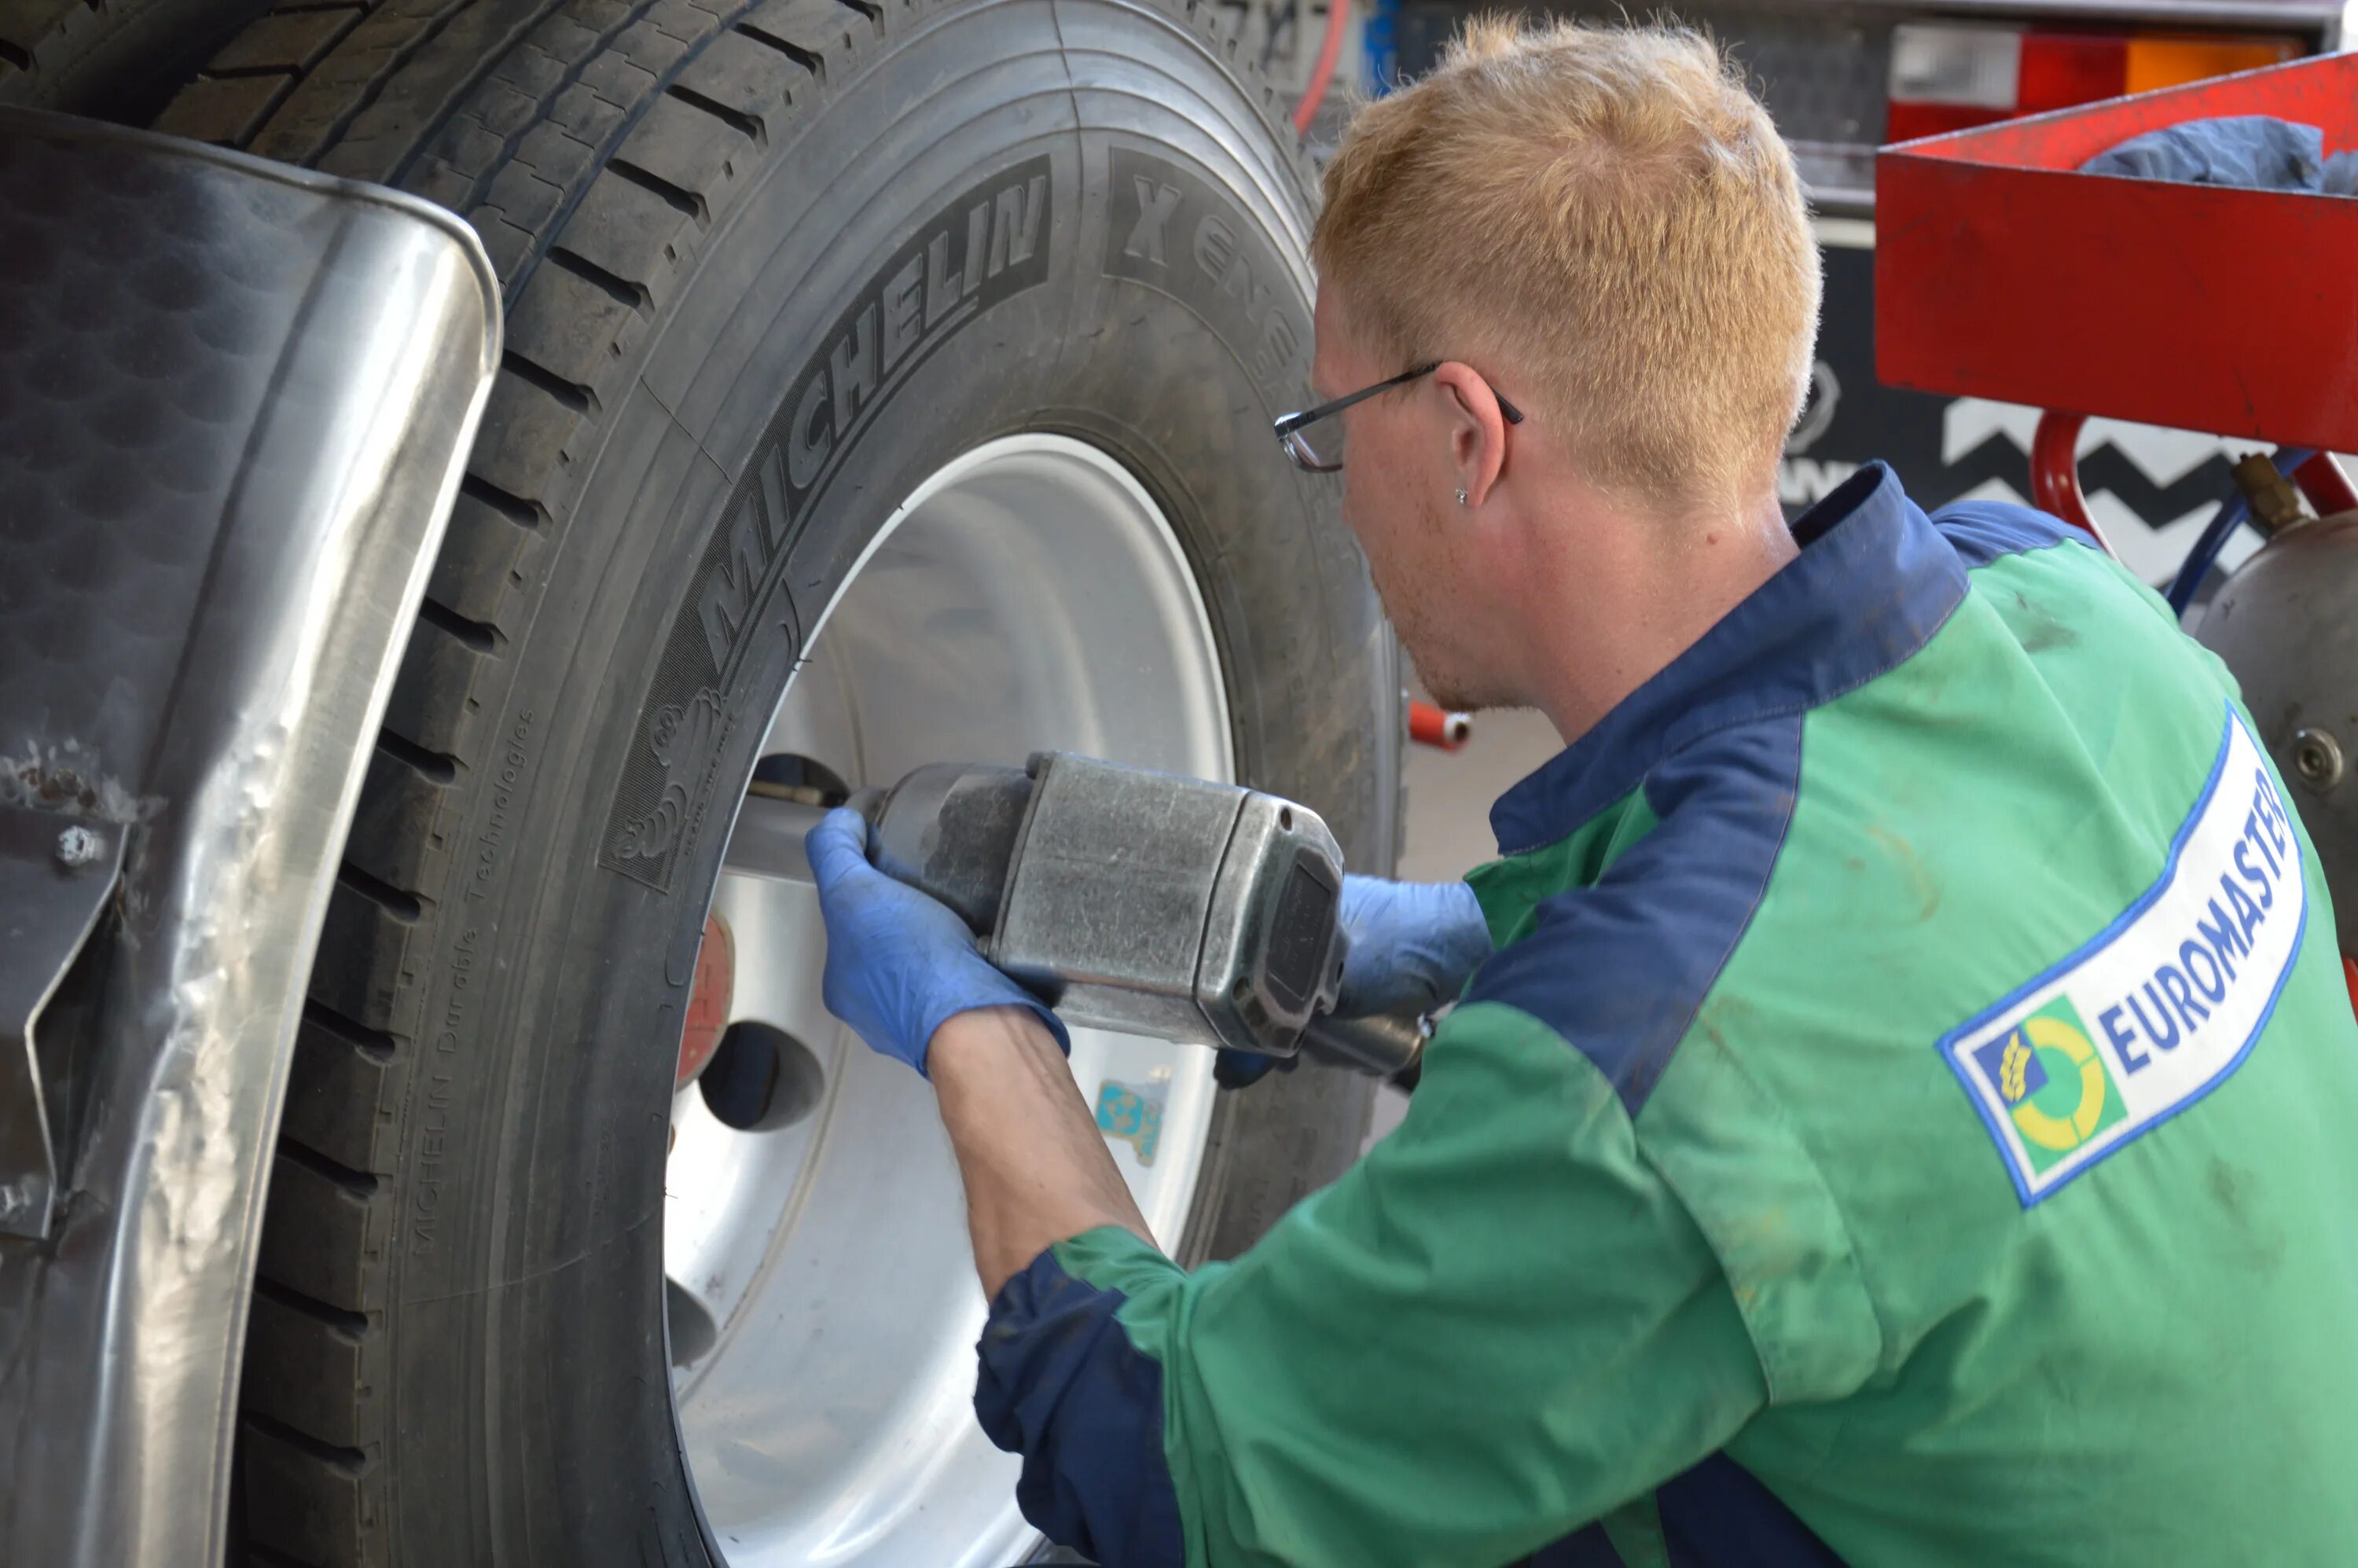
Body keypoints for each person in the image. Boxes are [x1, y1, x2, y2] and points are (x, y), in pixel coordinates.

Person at [803, 18, 2358, 1566]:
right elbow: (1859, 905)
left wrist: (977, 1035)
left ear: (1470, 436)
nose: (1332, 488)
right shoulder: (2078, 609)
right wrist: (1478, 930)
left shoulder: (1658, 1081)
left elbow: (1163, 1466)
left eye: (1331, 430)